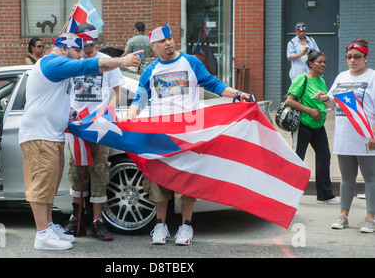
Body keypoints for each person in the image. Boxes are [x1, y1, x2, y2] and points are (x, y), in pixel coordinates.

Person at [122, 24, 253, 245]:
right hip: (159, 135)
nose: (169, 43)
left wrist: (238, 94)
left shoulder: (190, 62)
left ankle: (186, 226)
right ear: (153, 47)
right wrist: (131, 114)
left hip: (187, 134)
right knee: (158, 181)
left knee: (185, 182)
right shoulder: (150, 70)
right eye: (163, 41)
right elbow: (141, 98)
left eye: (171, 38)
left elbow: (213, 83)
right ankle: (160, 225)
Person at [18, 32, 142, 250]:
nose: (80, 56)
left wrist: (71, 112)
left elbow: (55, 99)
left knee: (49, 186)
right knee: (40, 186)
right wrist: (122, 61)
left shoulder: (58, 64)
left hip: (51, 134)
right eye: (77, 51)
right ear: (65, 49)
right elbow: (88, 67)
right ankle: (42, 234)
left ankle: (48, 226)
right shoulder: (53, 62)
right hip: (40, 135)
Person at [63, 23, 125, 241]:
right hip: (77, 125)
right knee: (76, 171)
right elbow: (62, 91)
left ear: (98, 42)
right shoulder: (71, 61)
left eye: (92, 44)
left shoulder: (107, 62)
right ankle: (77, 219)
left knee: (99, 172)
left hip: (98, 125)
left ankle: (98, 221)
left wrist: (110, 113)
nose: (88, 49)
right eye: (84, 44)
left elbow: (117, 92)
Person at [314, 39, 375, 233]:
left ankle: (370, 218)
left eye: (357, 57)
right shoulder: (341, 77)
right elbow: (334, 104)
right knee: (347, 178)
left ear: (366, 57)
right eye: (349, 57)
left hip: (367, 136)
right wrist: (325, 98)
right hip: (344, 136)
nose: (353, 60)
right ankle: (343, 216)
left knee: (370, 178)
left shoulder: (373, 77)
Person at [285, 51, 337, 204]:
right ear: (310, 64)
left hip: (318, 125)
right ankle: (290, 194)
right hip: (303, 125)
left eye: (324, 62)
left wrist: (325, 109)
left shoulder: (321, 81)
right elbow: (289, 101)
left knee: (324, 157)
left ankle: (325, 195)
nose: (323, 65)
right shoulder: (302, 79)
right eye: (319, 62)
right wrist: (310, 111)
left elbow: (323, 101)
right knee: (297, 159)